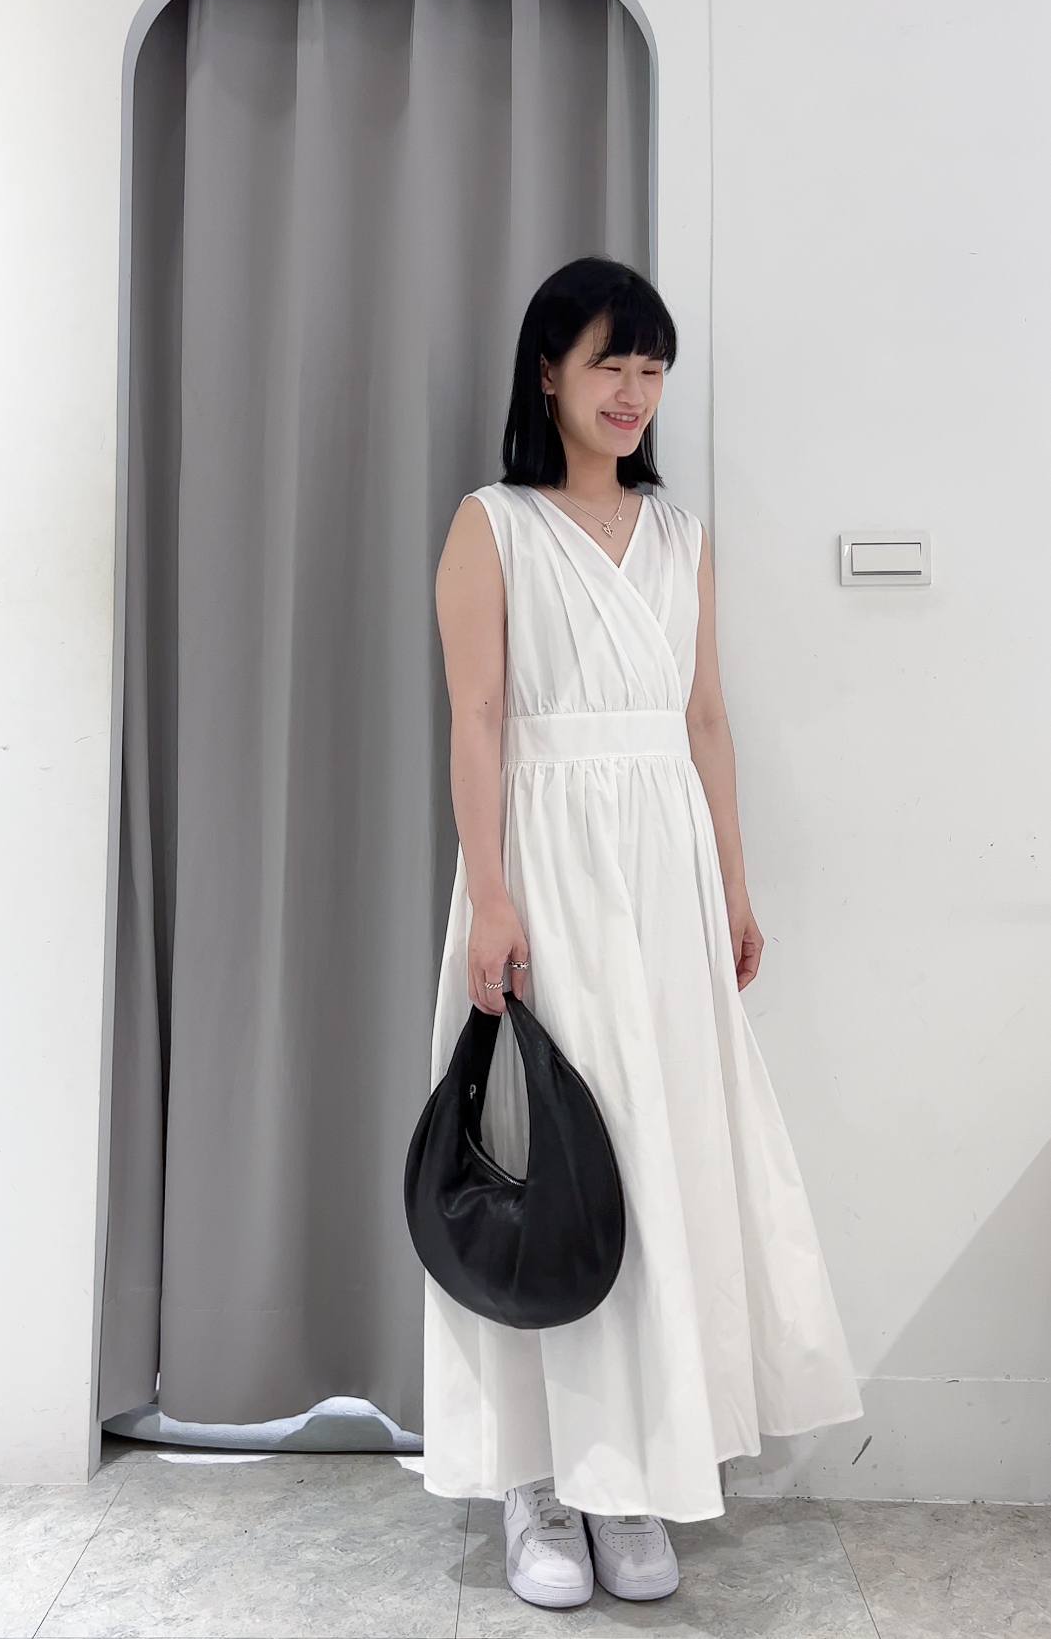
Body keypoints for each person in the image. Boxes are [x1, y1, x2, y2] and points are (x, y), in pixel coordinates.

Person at [423, 257, 863, 1608]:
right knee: (548, 1156)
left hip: (662, 875)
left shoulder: (679, 537)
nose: (632, 390)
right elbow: (478, 718)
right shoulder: (492, 525)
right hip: (545, 865)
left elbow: (703, 718)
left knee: (657, 1156)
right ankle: (535, 1481)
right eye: (609, 361)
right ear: (547, 371)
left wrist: (732, 883)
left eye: (652, 366)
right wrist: (491, 894)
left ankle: (631, 1474)